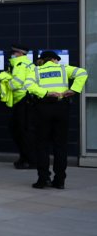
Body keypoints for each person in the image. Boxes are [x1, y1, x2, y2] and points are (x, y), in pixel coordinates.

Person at [26, 50, 88, 189]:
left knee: (42, 145)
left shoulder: (36, 71)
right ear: (54, 59)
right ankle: (59, 180)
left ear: (43, 60)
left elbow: (29, 86)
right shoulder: (63, 68)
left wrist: (46, 93)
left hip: (42, 109)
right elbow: (82, 72)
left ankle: (43, 179)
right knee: (60, 146)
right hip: (61, 108)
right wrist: (74, 90)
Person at [7, 45, 36, 169]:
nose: (12, 55)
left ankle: (28, 160)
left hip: (22, 101)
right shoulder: (29, 64)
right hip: (28, 101)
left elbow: (16, 83)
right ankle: (26, 158)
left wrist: (5, 81)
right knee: (24, 131)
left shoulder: (20, 65)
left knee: (21, 132)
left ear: (19, 53)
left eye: (14, 53)